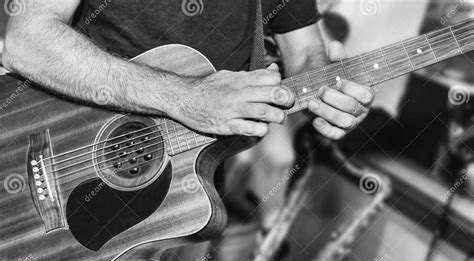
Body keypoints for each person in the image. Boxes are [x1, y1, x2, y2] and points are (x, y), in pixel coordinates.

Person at [3, 0, 374, 140]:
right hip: (68, 142)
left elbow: (307, 51)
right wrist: (184, 96)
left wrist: (332, 93)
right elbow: (27, 39)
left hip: (195, 190)